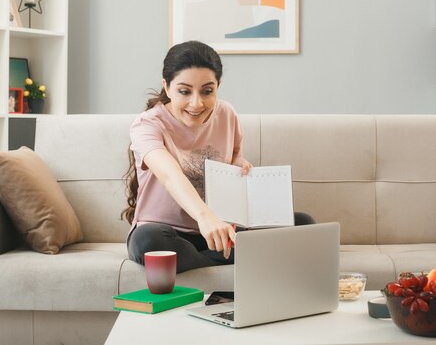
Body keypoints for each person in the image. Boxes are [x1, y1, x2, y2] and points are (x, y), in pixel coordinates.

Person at [123, 40, 313, 273]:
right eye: (184, 91)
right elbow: (170, 175)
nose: (197, 103)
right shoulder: (147, 125)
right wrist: (205, 217)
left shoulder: (226, 114)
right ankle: (237, 261)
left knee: (303, 225)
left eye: (207, 91)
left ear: (218, 86)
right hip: (167, 232)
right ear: (167, 86)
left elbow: (233, 160)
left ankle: (200, 264)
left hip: (221, 232)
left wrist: (239, 167)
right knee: (149, 242)